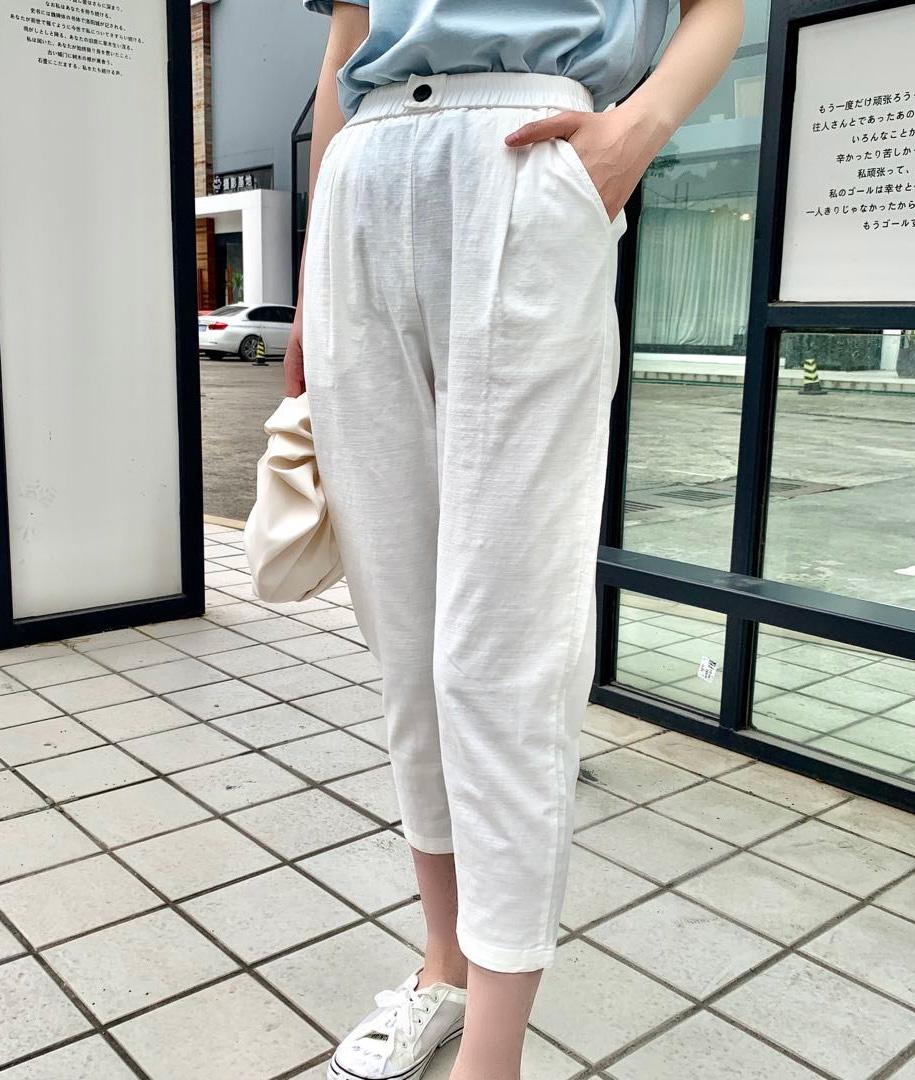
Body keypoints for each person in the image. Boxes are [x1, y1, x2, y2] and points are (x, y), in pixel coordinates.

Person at [286, 2, 743, 1077]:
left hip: (526, 150)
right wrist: (311, 273)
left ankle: (493, 1060)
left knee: (500, 655)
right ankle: (441, 970)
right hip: (363, 175)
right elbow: (347, 36)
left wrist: (635, 132)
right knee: (407, 651)